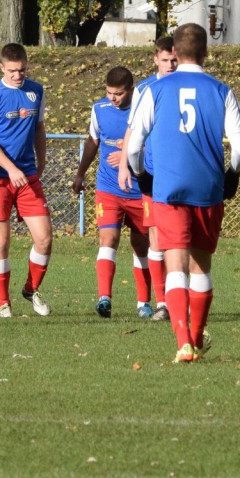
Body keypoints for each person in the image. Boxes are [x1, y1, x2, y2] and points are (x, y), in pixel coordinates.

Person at [126, 23, 240, 363]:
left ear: (175, 54)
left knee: (175, 264)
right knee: (202, 266)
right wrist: (232, 175)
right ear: (206, 53)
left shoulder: (155, 90)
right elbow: (239, 147)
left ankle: (183, 342)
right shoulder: (222, 90)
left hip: (168, 188)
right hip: (208, 189)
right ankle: (196, 337)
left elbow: (134, 145)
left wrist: (142, 175)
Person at [72, 66, 153, 318]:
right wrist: (80, 173)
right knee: (108, 239)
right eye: (108, 92)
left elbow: (156, 146)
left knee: (141, 245)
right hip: (108, 188)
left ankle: (144, 303)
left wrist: (131, 155)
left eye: (117, 94)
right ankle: (104, 298)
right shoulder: (99, 109)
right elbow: (93, 141)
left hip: (140, 190)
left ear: (130, 90)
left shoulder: (145, 110)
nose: (112, 98)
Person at [0, 43, 53, 318]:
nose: (17, 76)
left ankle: (30, 289)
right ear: (2, 68)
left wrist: (41, 161)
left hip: (26, 176)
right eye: (11, 71)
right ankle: (3, 304)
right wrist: (10, 168)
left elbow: (39, 127)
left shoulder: (36, 90)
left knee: (44, 238)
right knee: (1, 242)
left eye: (21, 70)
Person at [118, 36, 178, 321]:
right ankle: (163, 302)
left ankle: (181, 295)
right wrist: (124, 166)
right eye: (165, 59)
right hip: (153, 174)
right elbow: (133, 130)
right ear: (155, 59)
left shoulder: (187, 86)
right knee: (155, 238)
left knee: (179, 239)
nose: (170, 64)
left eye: (174, 59)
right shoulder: (144, 89)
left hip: (182, 173)